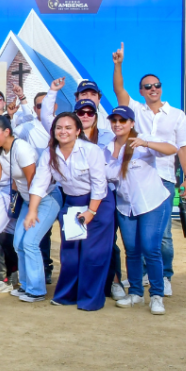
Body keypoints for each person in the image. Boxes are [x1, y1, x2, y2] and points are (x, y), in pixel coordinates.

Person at [112, 43, 186, 297]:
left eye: (156, 85)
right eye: (147, 86)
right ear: (141, 91)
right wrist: (118, 65)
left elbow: (182, 148)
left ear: (161, 88)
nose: (153, 89)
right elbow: (119, 90)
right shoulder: (136, 110)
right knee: (137, 238)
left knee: (163, 235)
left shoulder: (177, 115)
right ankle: (144, 276)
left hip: (165, 177)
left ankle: (164, 276)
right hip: (137, 177)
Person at [29, 112, 111, 311]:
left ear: (77, 131)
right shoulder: (49, 153)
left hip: (98, 204)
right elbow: (39, 183)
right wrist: (32, 211)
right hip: (73, 203)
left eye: (68, 128)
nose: (63, 131)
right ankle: (67, 295)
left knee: (92, 254)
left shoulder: (91, 150)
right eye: (59, 128)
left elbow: (100, 184)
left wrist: (91, 212)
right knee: (70, 253)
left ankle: (90, 299)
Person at [105, 106, 178, 315]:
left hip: (151, 203)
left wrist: (145, 143)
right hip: (125, 206)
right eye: (114, 120)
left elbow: (171, 148)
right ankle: (136, 293)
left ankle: (157, 295)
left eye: (123, 120)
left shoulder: (143, 140)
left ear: (132, 123)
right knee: (132, 250)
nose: (118, 124)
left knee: (150, 248)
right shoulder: (108, 147)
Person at [0, 116, 50, 302]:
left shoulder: (21, 148)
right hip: (28, 199)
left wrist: (32, 209)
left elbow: (33, 180)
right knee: (18, 242)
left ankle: (37, 290)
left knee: (29, 242)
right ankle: (26, 286)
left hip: (45, 198)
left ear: (7, 131)